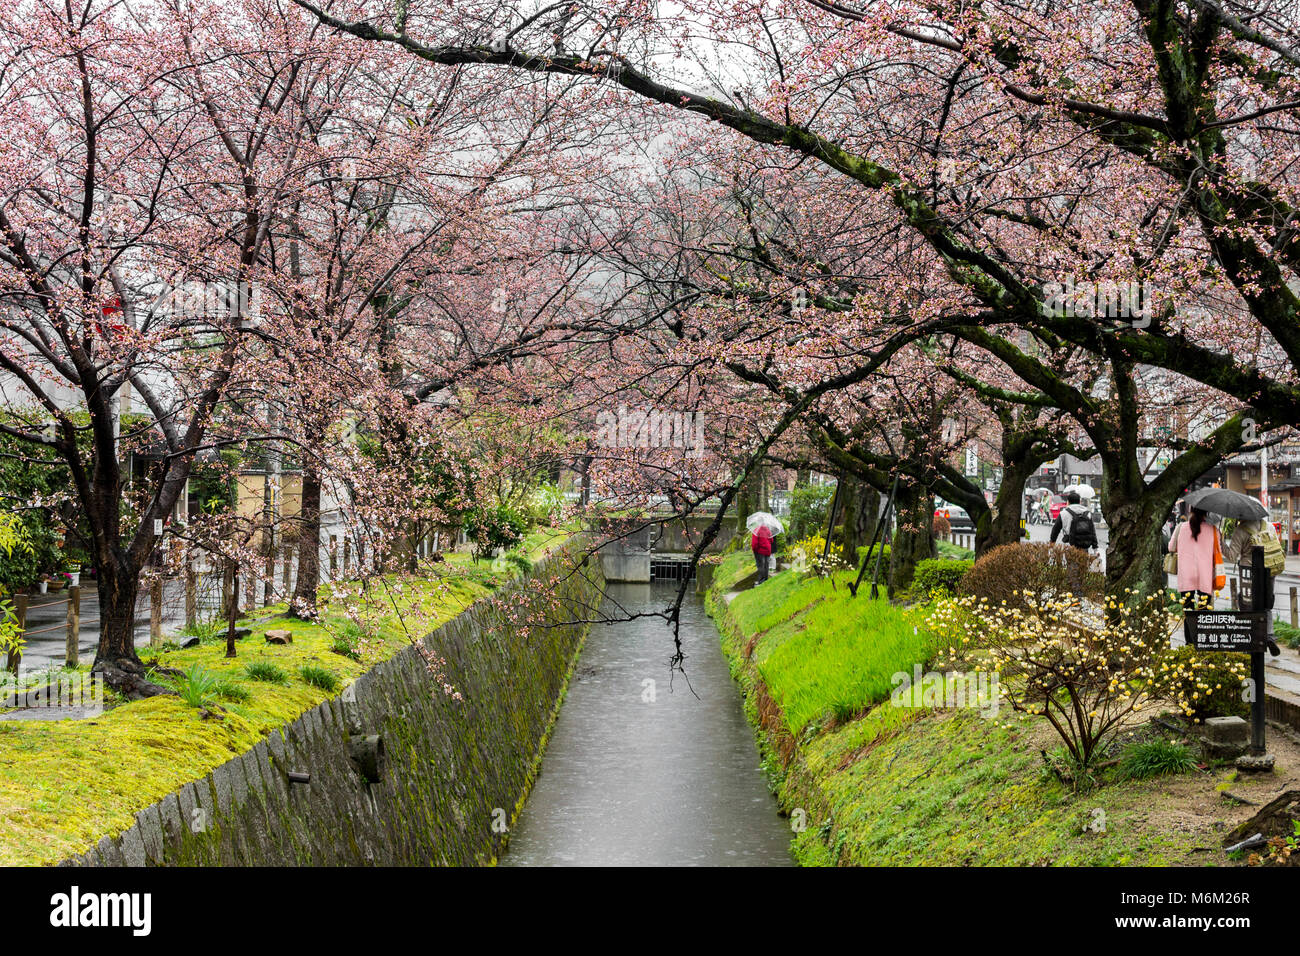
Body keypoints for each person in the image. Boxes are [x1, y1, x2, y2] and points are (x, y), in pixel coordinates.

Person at [1168, 507, 1220, 609]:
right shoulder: (1213, 529)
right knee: (1204, 613)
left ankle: (1189, 626)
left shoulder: (1180, 527)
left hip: (1186, 574)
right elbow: (1218, 552)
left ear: (1191, 511)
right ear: (1206, 513)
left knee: (1188, 611)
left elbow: (1171, 547)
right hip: (1205, 575)